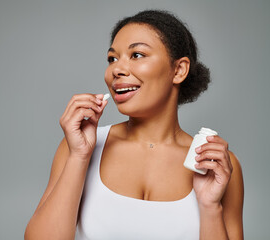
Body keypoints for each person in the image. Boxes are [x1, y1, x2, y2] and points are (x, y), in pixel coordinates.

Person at [24, 10, 244, 240]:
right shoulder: (79, 146)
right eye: (112, 58)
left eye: (137, 55)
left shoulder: (217, 165)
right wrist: (79, 156)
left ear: (179, 70)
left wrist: (210, 208)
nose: (116, 70)